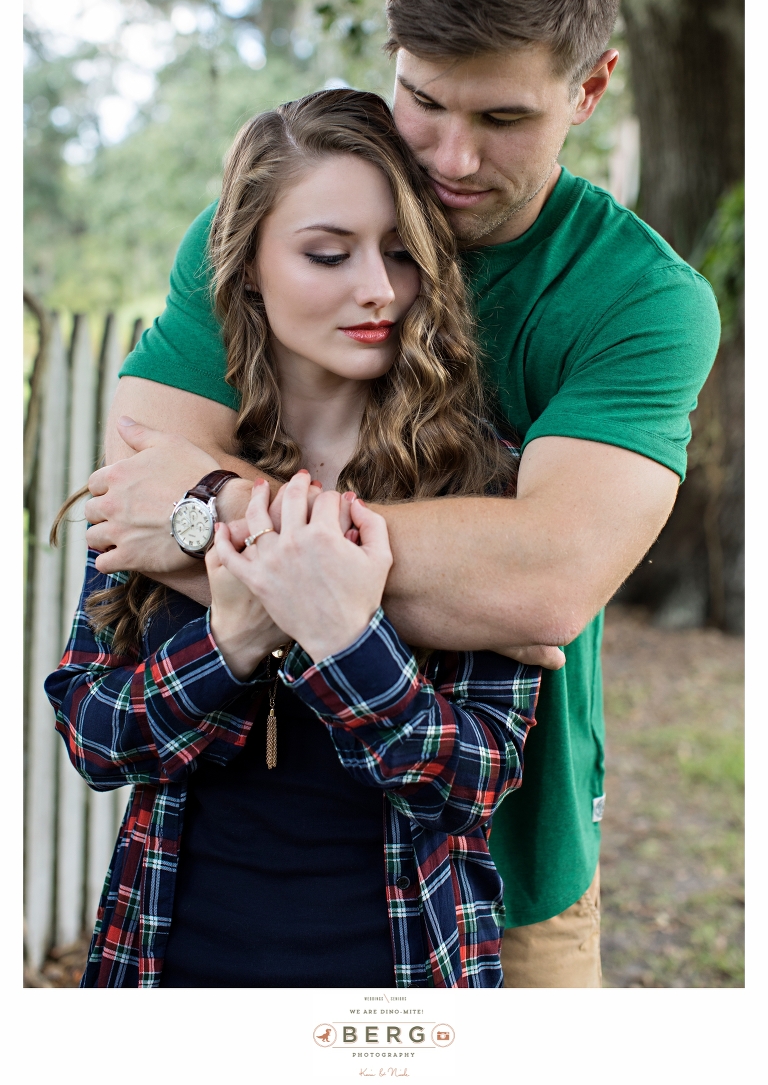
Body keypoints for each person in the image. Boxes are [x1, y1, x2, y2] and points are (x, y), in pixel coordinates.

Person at [82, 0, 721, 987]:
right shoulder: (272, 222)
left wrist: (219, 512)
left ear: (592, 88)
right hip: (221, 879)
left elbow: (540, 589)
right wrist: (446, 571)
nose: (454, 159)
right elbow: (132, 499)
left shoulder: (640, 299)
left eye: (503, 118)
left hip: (502, 880)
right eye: (425, 102)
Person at [47, 89, 541, 988]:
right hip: (169, 966)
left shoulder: (484, 479)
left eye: (402, 253)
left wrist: (345, 638)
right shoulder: (168, 470)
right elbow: (92, 733)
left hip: (398, 983)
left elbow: (474, 781)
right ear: (246, 271)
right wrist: (230, 641)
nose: (378, 289)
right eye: (327, 253)